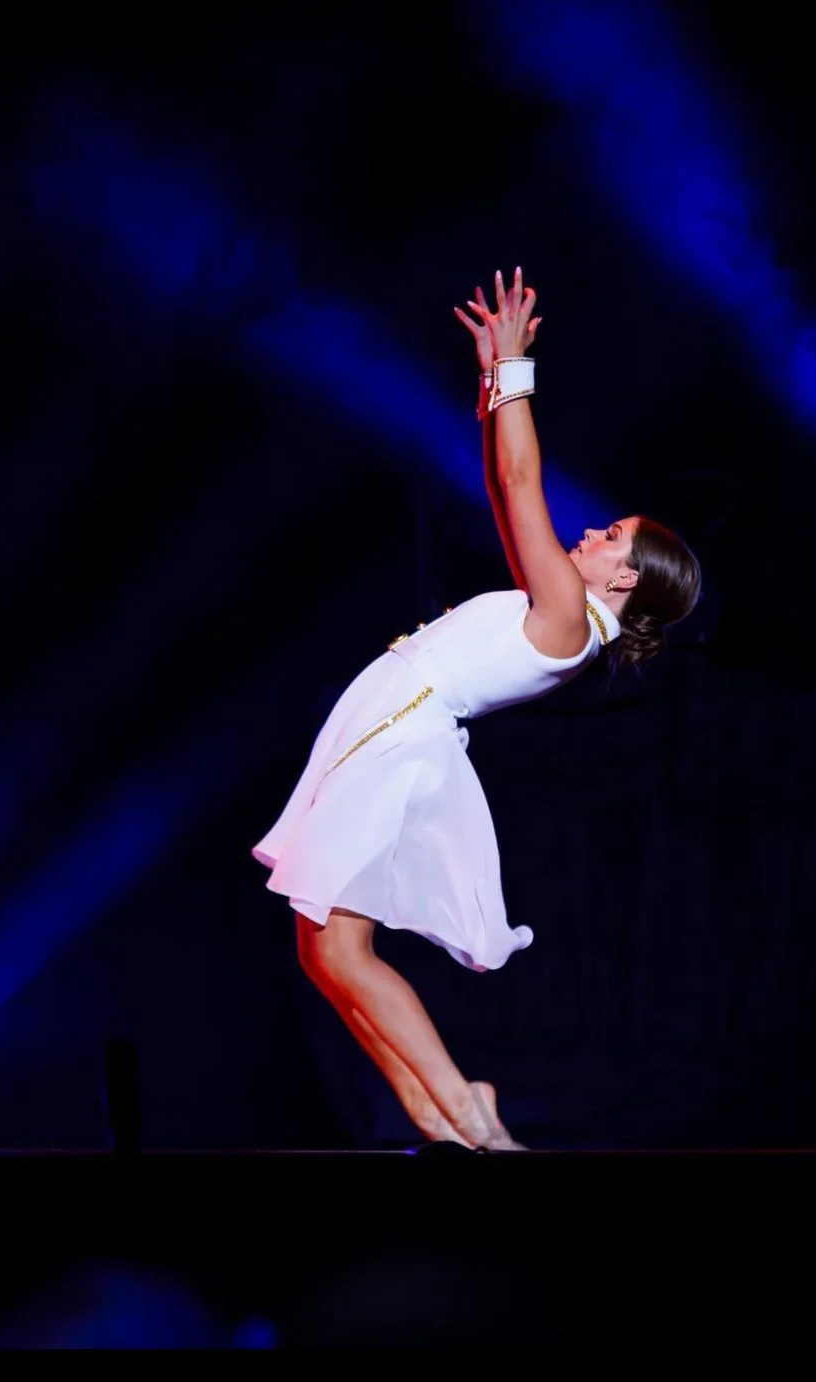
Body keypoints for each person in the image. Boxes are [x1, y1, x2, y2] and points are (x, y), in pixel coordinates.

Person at [253, 267, 701, 1150]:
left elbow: (527, 484)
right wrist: (494, 377)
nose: (594, 532)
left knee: (341, 951)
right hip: (388, 723)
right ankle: (437, 1115)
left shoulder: (572, 619)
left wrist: (518, 374)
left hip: (401, 737)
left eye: (612, 537)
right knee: (322, 951)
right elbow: (504, 491)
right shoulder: (561, 605)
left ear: (626, 579)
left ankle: (468, 1111)